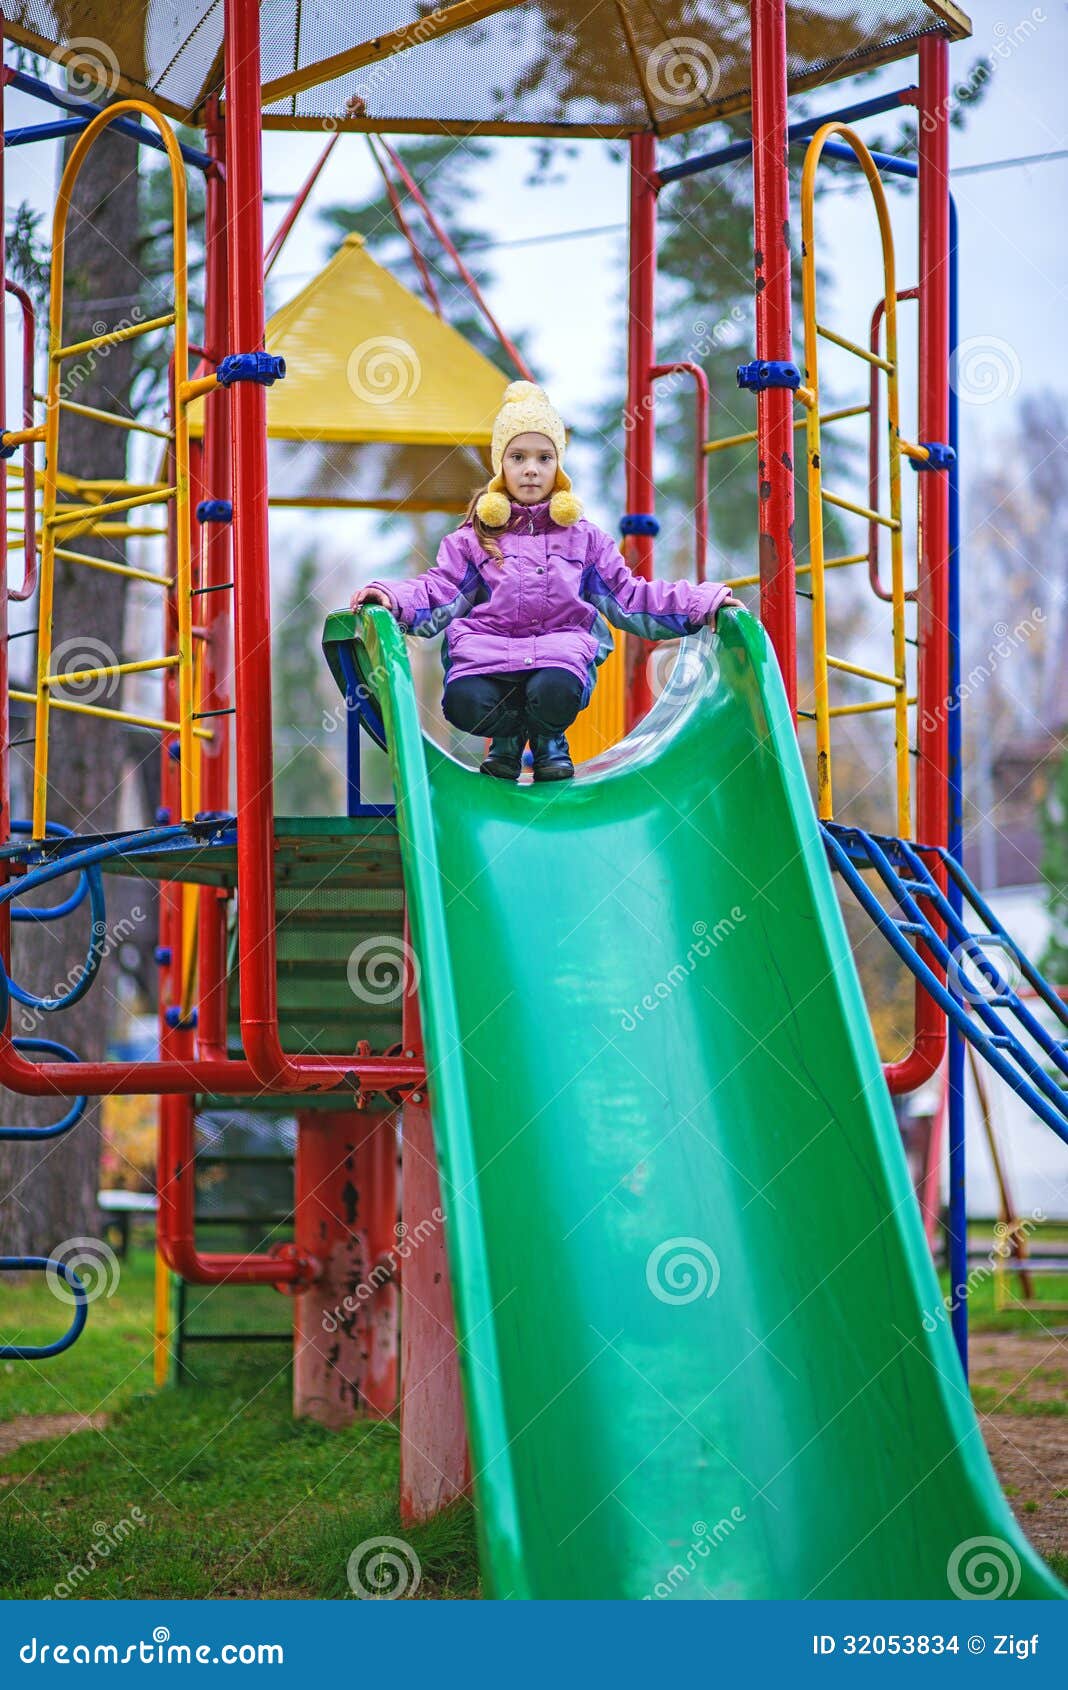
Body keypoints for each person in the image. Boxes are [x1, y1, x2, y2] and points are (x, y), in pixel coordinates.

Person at [350, 380, 741, 782]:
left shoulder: (585, 540)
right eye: (518, 457)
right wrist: (393, 598)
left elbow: (630, 597)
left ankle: (546, 735)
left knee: (556, 687)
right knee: (463, 701)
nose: (532, 468)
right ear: (501, 466)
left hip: (558, 658)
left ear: (559, 467)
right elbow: (438, 591)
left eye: (544, 457)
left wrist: (702, 602)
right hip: (488, 658)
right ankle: (509, 738)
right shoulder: (474, 539)